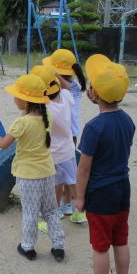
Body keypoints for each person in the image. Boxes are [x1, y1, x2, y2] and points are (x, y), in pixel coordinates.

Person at [0, 74, 65, 262]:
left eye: (17, 95)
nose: (14, 98)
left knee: (30, 213)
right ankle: (58, 246)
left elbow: (3, 144)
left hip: (28, 176)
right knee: (50, 211)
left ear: (26, 101)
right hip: (47, 172)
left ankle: (28, 247)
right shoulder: (47, 116)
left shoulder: (21, 123)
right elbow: (31, 120)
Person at [76, 54, 135, 274]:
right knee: (120, 240)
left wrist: (79, 197)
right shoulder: (127, 120)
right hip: (122, 189)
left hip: (101, 193)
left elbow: (84, 167)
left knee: (100, 246)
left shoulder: (94, 127)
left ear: (95, 94)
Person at [30, 65, 85, 228]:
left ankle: (50, 218)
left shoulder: (44, 107)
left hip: (51, 154)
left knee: (52, 185)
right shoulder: (66, 96)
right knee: (72, 181)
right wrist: (56, 75)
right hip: (68, 151)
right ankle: (80, 212)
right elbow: (68, 88)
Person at [43, 48, 87, 223]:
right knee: (68, 173)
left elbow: (63, 89)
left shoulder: (66, 90)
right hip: (69, 135)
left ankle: (62, 206)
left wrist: (54, 76)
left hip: (64, 136)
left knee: (60, 174)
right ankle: (67, 204)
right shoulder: (70, 87)